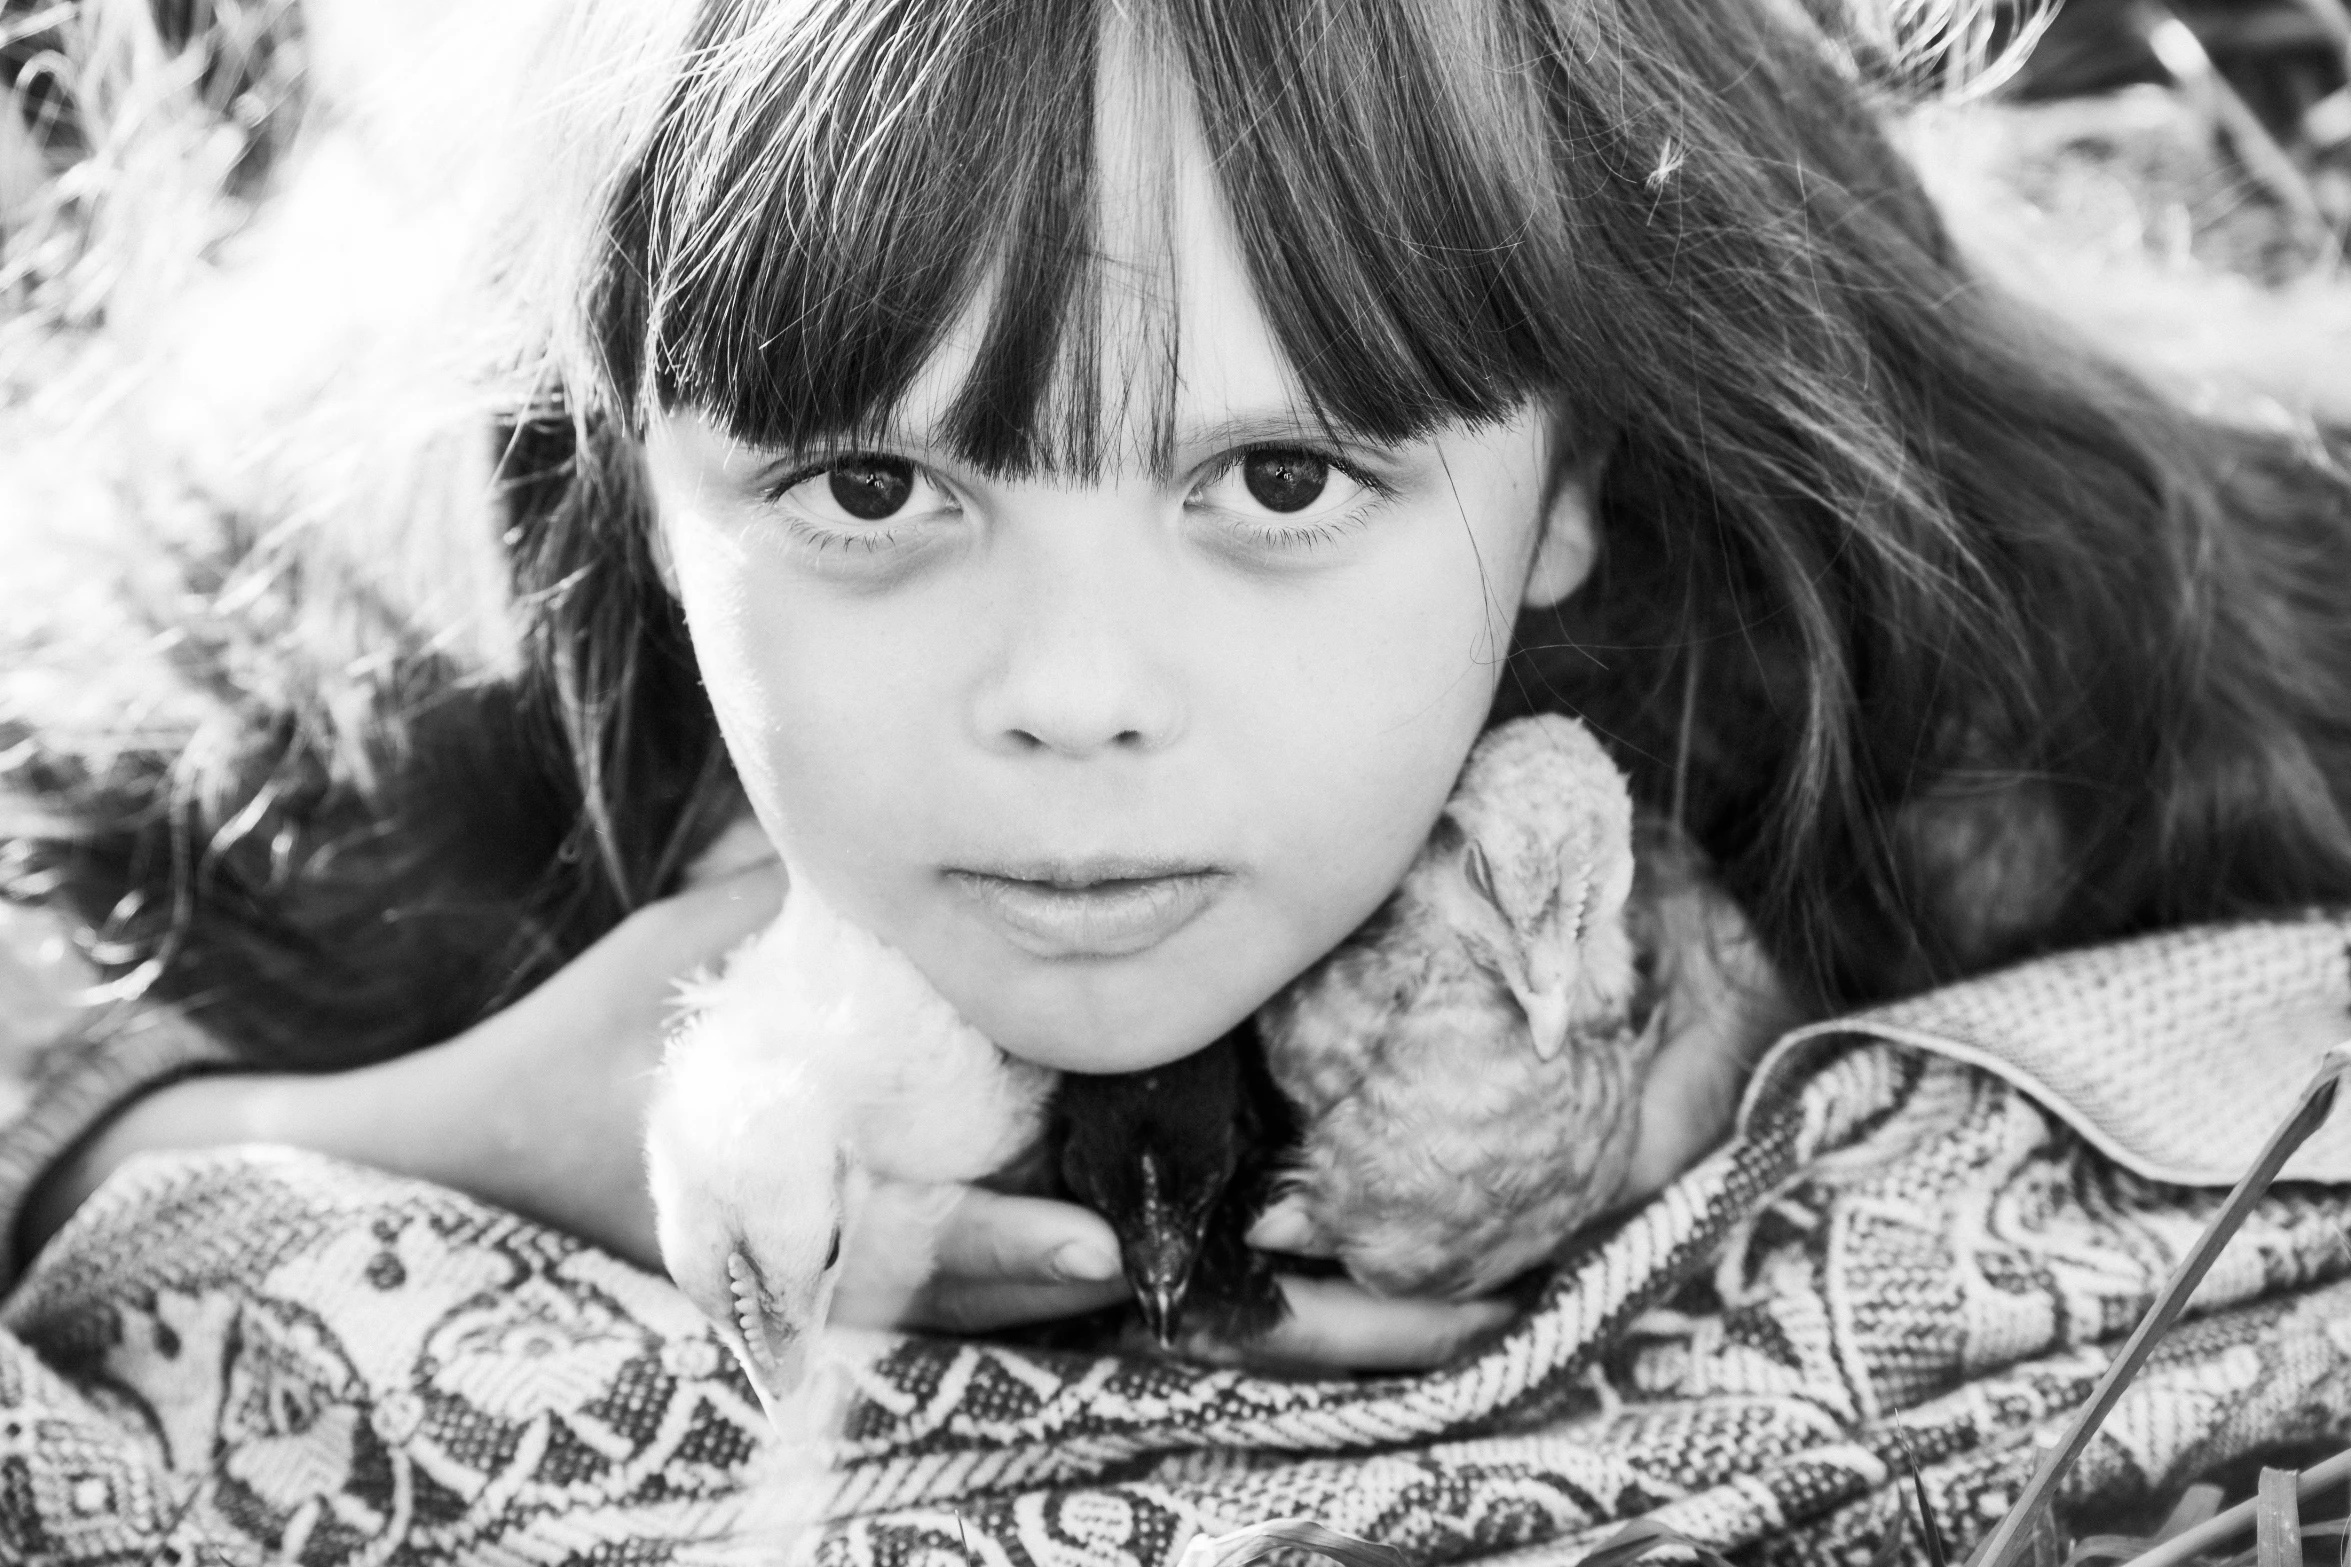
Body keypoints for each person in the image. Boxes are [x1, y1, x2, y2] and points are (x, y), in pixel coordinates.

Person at [4, 0, 2349, 1382]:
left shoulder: (1956, 614)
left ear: (1569, 484)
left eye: (1279, 473)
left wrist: (1751, 1017)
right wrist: (394, 1136)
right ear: (635, 476)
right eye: (862, 483)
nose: (1073, 693)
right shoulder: (376, 619)